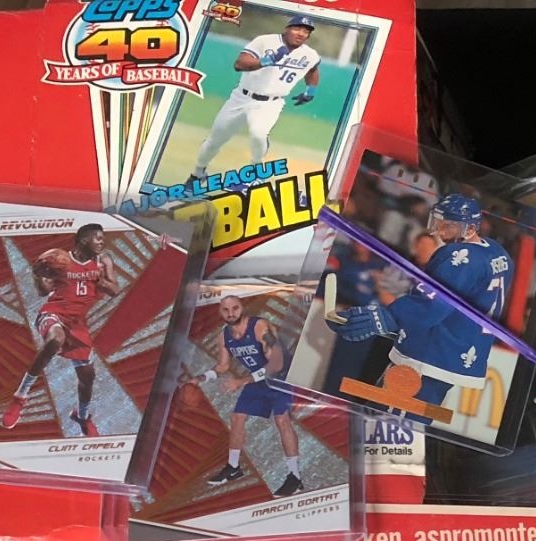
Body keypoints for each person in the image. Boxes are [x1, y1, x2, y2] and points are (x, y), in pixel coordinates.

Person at [328, 194, 513, 415]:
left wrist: (384, 318)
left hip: (429, 355)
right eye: (439, 223)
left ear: (470, 228)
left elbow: (433, 305)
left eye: (448, 226)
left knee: (388, 423)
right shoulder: (497, 253)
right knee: (399, 419)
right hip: (457, 350)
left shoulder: (461, 257)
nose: (440, 231)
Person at [2, 222, 122, 433]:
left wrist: (99, 280)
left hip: (77, 323)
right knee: (55, 340)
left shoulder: (103, 261)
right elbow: (43, 291)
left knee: (87, 377)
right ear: (83, 240)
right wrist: (38, 276)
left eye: (103, 238)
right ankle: (20, 396)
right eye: (98, 238)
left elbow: (114, 290)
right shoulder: (60, 259)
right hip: (54, 313)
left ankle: (81, 416)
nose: (102, 242)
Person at [193, 294, 305, 497]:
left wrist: (242, 381)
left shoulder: (260, 327)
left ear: (241, 307)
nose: (231, 313)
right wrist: (201, 378)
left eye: (234, 308)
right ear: (220, 312)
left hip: (281, 377)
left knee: (282, 420)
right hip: (257, 379)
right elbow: (223, 366)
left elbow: (276, 363)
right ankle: (233, 468)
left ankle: (295, 477)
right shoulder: (224, 336)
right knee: (237, 417)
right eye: (226, 310)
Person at [191, 18, 322, 180]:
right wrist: (268, 60)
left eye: (306, 31)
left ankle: (256, 175)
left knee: (258, 134)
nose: (301, 34)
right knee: (214, 140)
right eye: (297, 29)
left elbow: (313, 70)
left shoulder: (310, 54)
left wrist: (310, 91)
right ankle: (198, 173)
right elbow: (239, 64)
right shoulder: (265, 41)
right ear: (287, 28)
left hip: (271, 103)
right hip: (241, 98)